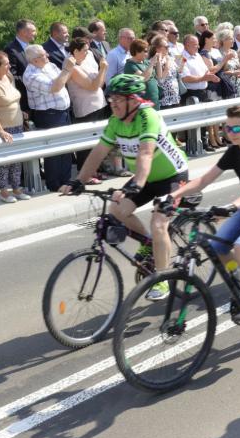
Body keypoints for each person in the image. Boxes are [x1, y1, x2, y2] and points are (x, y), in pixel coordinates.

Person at [60, 74, 189, 301]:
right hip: (145, 177)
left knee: (159, 223)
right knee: (117, 210)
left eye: (119, 100)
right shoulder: (115, 121)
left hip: (172, 176)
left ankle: (162, 279)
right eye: (111, 99)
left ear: (134, 100)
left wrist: (135, 185)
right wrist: (79, 180)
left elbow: (146, 153)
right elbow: (99, 152)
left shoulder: (148, 116)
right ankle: (149, 244)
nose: (114, 104)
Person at [165, 104, 240, 325]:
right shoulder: (234, 151)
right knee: (218, 247)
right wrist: (173, 196)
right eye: (227, 128)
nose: (230, 133)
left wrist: (233, 206)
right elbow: (204, 180)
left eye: (237, 128)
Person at [23, 44, 74, 191]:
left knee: (66, 149)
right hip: (49, 115)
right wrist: (66, 69)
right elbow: (55, 87)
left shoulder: (50, 65)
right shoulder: (30, 75)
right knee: (54, 152)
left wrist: (66, 70)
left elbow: (63, 81)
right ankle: (55, 184)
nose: (48, 56)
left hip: (63, 112)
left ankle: (66, 181)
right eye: (44, 55)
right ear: (35, 60)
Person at [67, 37, 109, 174]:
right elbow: (93, 86)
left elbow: (99, 84)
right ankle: (86, 173)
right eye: (84, 50)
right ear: (75, 51)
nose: (87, 52)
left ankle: (95, 170)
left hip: (99, 104)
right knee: (86, 144)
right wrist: (103, 69)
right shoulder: (72, 67)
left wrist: (101, 72)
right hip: (85, 109)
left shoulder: (88, 58)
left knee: (97, 141)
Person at [0, 51, 31, 203]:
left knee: (16, 160)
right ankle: (4, 192)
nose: (9, 66)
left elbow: (14, 99)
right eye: (6, 64)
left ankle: (16, 188)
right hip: (4, 129)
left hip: (17, 126)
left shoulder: (9, 76)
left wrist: (20, 112)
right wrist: (0, 131)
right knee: (4, 162)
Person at [4, 19, 37, 113]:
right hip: (24, 102)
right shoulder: (11, 50)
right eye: (33, 31)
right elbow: (11, 76)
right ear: (23, 32)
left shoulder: (32, 48)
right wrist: (33, 81)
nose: (35, 33)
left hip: (36, 99)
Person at [124, 39, 160, 109]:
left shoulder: (146, 62)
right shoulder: (130, 65)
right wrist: (152, 63)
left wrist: (158, 61)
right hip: (143, 102)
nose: (147, 53)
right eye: (145, 51)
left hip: (154, 100)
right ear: (137, 51)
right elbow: (143, 78)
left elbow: (159, 76)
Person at [149, 35, 180, 109]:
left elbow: (178, 72)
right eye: (166, 47)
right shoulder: (153, 61)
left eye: (168, 46)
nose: (168, 48)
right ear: (157, 49)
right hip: (164, 98)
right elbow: (161, 80)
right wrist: (165, 65)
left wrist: (182, 63)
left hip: (175, 96)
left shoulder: (170, 58)